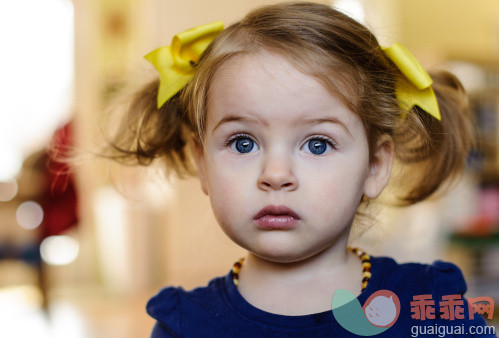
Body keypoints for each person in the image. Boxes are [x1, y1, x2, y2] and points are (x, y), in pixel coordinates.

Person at [106, 2, 496, 337]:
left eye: (317, 144)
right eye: (243, 143)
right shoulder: (183, 326)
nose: (275, 174)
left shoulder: (426, 307)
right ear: (202, 163)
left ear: (375, 167)